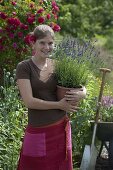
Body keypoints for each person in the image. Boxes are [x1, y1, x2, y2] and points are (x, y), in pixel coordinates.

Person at [16, 24, 86, 170]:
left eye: (50, 43)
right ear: (33, 42)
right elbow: (29, 101)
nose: (47, 47)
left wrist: (83, 92)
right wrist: (59, 105)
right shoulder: (24, 67)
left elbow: (78, 85)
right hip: (38, 129)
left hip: (60, 130)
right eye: (42, 42)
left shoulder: (59, 66)